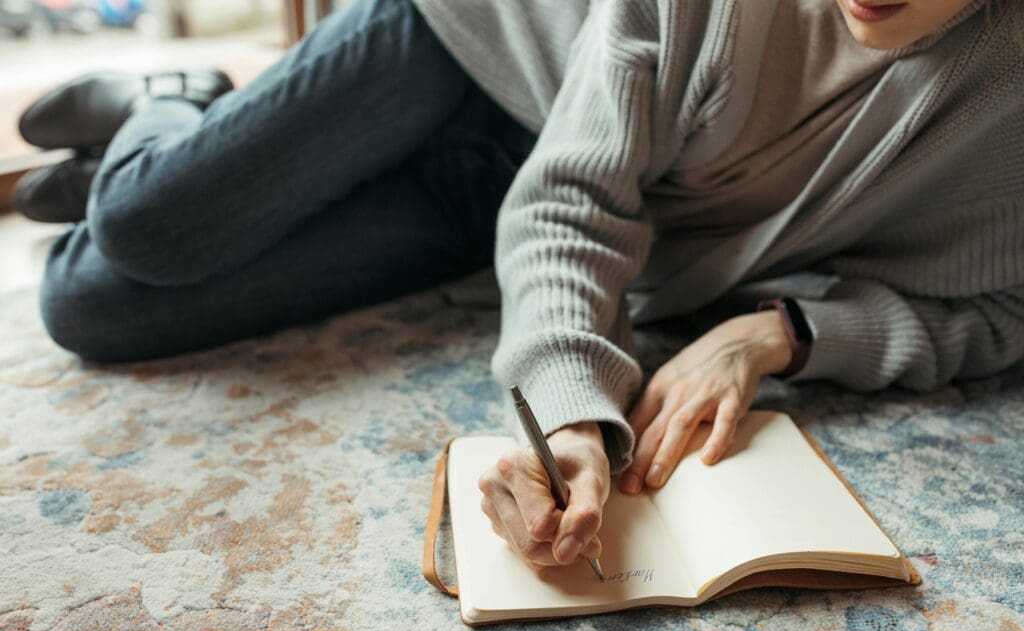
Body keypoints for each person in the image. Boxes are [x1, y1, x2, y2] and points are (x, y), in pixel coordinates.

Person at [16, 0, 1023, 572]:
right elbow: (574, 201)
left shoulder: (1002, 93)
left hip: (495, 190)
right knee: (149, 223)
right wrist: (573, 413)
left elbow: (999, 308)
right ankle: (174, 100)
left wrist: (781, 333)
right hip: (466, 48)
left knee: (89, 305)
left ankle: (182, 147)